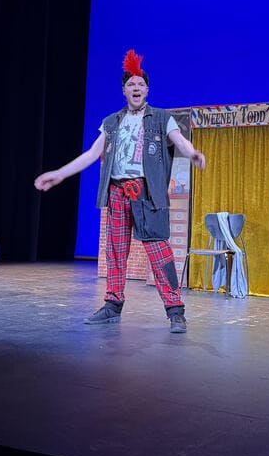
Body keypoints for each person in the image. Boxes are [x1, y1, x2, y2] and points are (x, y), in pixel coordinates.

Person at [34, 50, 205, 333]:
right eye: (131, 85)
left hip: (146, 192)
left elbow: (180, 141)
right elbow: (92, 154)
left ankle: (175, 311)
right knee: (115, 251)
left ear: (147, 89)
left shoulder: (162, 118)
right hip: (117, 191)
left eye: (140, 84)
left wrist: (193, 154)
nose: (136, 88)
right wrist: (60, 174)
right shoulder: (111, 122)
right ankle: (112, 306)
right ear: (124, 90)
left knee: (159, 251)